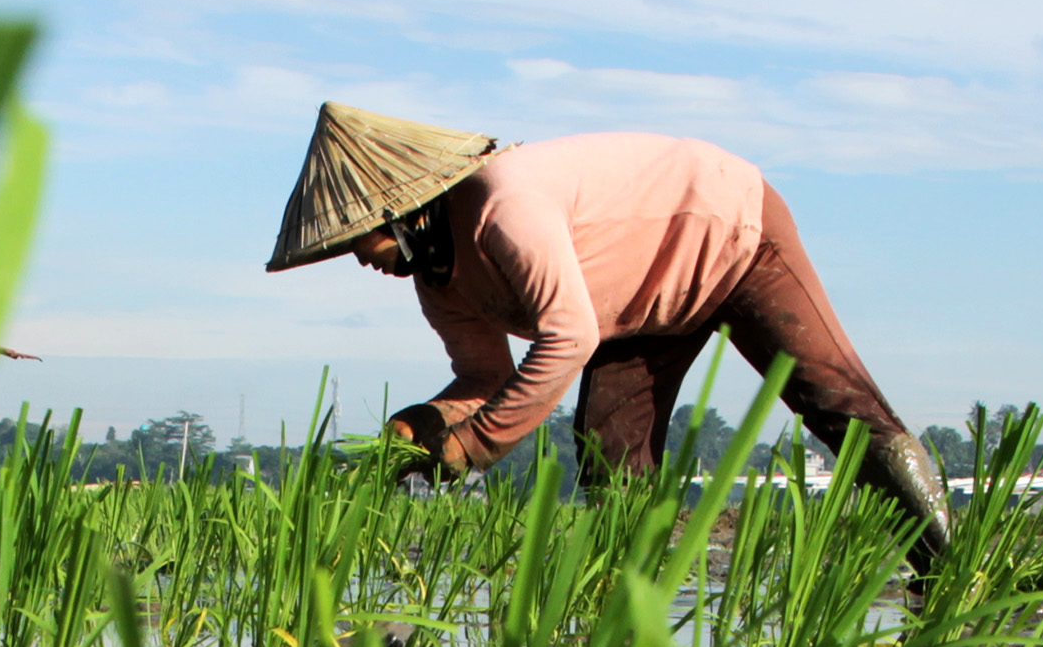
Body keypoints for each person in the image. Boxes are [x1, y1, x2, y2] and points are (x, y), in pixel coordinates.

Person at [262, 103, 958, 565]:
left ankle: (948, 570)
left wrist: (472, 448)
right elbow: (483, 380)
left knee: (830, 397)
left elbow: (566, 338)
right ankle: (632, 598)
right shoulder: (440, 282)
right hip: (634, 305)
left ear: (405, 209)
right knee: (609, 447)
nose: (360, 258)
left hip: (727, 229)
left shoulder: (503, 207)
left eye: (364, 240)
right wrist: (423, 427)